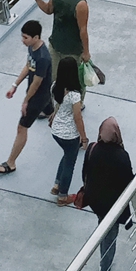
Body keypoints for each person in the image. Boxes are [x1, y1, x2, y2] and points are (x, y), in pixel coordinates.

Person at [59, 116, 135, 271]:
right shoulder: (122, 156)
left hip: (95, 201)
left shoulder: (93, 148)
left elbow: (85, 173)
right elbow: (129, 182)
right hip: (113, 206)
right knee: (110, 240)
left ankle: (104, 263)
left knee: (103, 231)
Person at [0, 21, 54, 175]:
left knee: (22, 127)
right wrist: (15, 85)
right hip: (42, 93)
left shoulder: (43, 58)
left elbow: (36, 82)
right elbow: (28, 66)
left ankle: (10, 163)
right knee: (49, 107)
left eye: (25, 37)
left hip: (38, 96)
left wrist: (26, 101)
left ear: (36, 37)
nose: (22, 40)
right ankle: (50, 112)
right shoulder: (32, 47)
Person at [29, 0, 90, 79]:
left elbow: (83, 30)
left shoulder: (80, 4)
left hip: (72, 52)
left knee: (71, 82)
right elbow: (49, 9)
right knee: (50, 79)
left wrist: (86, 52)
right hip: (55, 47)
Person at [46, 54, 89, 198]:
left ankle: (57, 185)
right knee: (70, 164)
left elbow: (58, 105)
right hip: (70, 135)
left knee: (66, 156)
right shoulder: (74, 95)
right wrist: (84, 138)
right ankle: (63, 196)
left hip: (56, 131)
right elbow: (78, 118)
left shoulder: (54, 86)